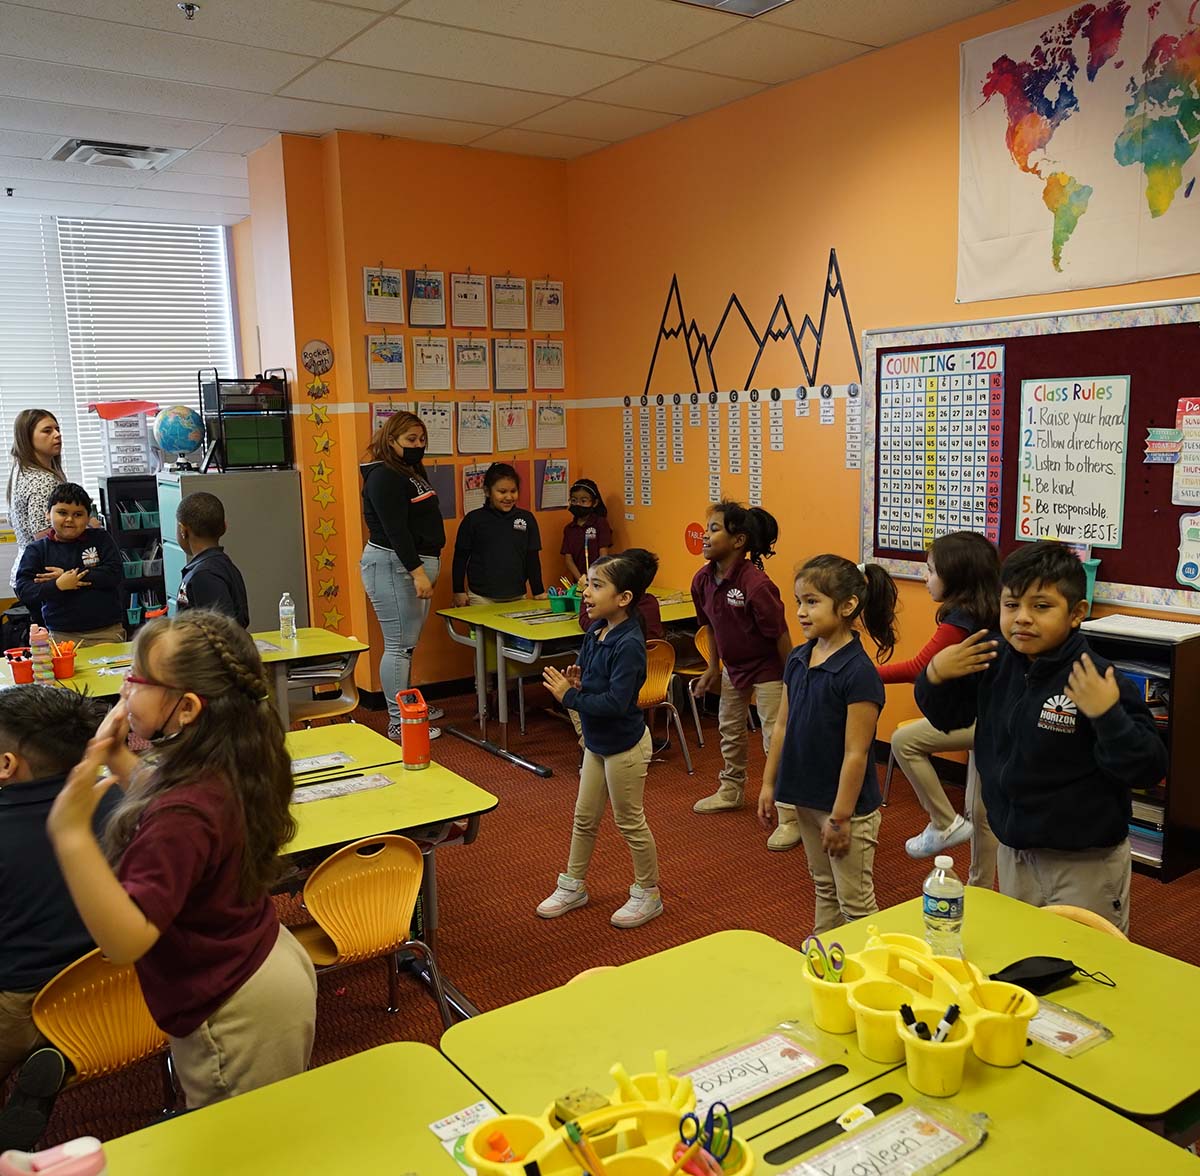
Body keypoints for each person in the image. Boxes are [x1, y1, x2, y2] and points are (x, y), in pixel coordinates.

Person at [46, 611, 318, 1109]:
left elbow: (127, 939)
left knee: (245, 1151)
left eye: (136, 680)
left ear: (187, 708)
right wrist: (114, 757)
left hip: (234, 1010)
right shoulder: (227, 757)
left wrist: (69, 837)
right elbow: (176, 805)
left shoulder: (184, 809)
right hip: (263, 961)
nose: (124, 692)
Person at [915, 541, 1167, 934]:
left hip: (1084, 860)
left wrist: (1107, 716)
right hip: (1014, 850)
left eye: (1042, 606)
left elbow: (1146, 767)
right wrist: (935, 677)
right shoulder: (994, 662)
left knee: (1087, 964)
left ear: (1076, 614)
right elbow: (950, 718)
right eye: (1012, 605)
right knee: (1024, 953)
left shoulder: (1095, 676)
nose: (1023, 619)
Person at [0, 687, 114, 1151]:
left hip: (19, 1009)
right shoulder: (125, 803)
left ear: (7, 765)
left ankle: (42, 1053)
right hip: (125, 996)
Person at [758, 556, 897, 933]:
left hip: (845, 809)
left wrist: (839, 817)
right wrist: (770, 784)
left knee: (855, 902)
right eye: (798, 601)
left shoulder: (859, 674)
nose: (801, 612)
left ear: (848, 605)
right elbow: (782, 726)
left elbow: (857, 753)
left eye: (812, 601)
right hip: (805, 795)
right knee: (823, 885)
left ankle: (870, 974)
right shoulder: (800, 658)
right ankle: (825, 951)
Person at [538, 550, 663, 929]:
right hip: (597, 743)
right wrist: (580, 682)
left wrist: (569, 696)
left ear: (623, 598)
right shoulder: (597, 629)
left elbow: (616, 702)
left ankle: (649, 893)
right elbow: (597, 681)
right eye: (588, 584)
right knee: (584, 818)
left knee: (630, 823)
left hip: (624, 746)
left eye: (596, 585)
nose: (586, 593)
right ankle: (573, 884)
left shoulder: (629, 643)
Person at [881, 531, 1000, 885]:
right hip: (989, 715)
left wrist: (862, 675)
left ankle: (944, 823)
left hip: (987, 720)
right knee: (981, 812)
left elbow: (919, 668)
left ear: (957, 577)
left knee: (905, 740)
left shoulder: (960, 621)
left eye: (931, 571)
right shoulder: (988, 608)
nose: (925, 577)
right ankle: (980, 885)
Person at [689, 501, 795, 850]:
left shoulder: (756, 584)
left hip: (768, 670)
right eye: (708, 527)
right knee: (730, 729)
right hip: (733, 669)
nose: (705, 535)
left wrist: (794, 677)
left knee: (772, 739)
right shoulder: (702, 580)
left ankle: (788, 813)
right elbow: (712, 628)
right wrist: (712, 667)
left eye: (715, 529)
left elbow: (780, 634)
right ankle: (731, 789)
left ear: (739, 541)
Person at [359, 412, 447, 741]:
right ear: (390, 440)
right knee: (398, 646)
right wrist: (417, 573)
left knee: (407, 644)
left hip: (412, 565)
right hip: (395, 564)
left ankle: (408, 704)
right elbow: (396, 531)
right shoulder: (383, 476)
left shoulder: (406, 472)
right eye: (410, 440)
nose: (417, 446)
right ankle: (399, 720)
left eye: (422, 440)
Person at [14, 483, 123, 645]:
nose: (70, 519)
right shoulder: (37, 550)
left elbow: (114, 573)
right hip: (60, 634)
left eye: (78, 514)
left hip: (106, 632)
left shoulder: (100, 538)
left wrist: (70, 576)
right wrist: (58, 585)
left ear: (88, 518)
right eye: (62, 513)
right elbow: (25, 589)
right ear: (47, 514)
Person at [452, 463, 544, 605]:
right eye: (502, 492)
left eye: (513, 491)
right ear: (488, 492)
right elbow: (460, 558)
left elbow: (532, 558)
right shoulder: (473, 520)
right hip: (481, 596)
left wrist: (538, 591)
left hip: (517, 595)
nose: (508, 497)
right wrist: (458, 590)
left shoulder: (527, 519)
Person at [6, 410, 65, 597]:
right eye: (47, 431)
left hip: (25, 572)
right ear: (27, 438)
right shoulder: (42, 480)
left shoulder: (21, 471)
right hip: (43, 577)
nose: (57, 434)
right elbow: (43, 533)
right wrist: (87, 525)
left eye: (57, 429)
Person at [174, 492, 250, 628]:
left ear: (183, 530)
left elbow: (223, 631)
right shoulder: (222, 566)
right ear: (224, 527)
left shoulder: (204, 575)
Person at [561, 478, 612, 582]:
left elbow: (604, 554)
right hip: (580, 582)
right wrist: (581, 579)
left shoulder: (600, 523)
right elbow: (568, 559)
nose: (578, 504)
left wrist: (595, 578)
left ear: (594, 502)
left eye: (583, 501)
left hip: (599, 579)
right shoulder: (569, 529)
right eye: (574, 500)